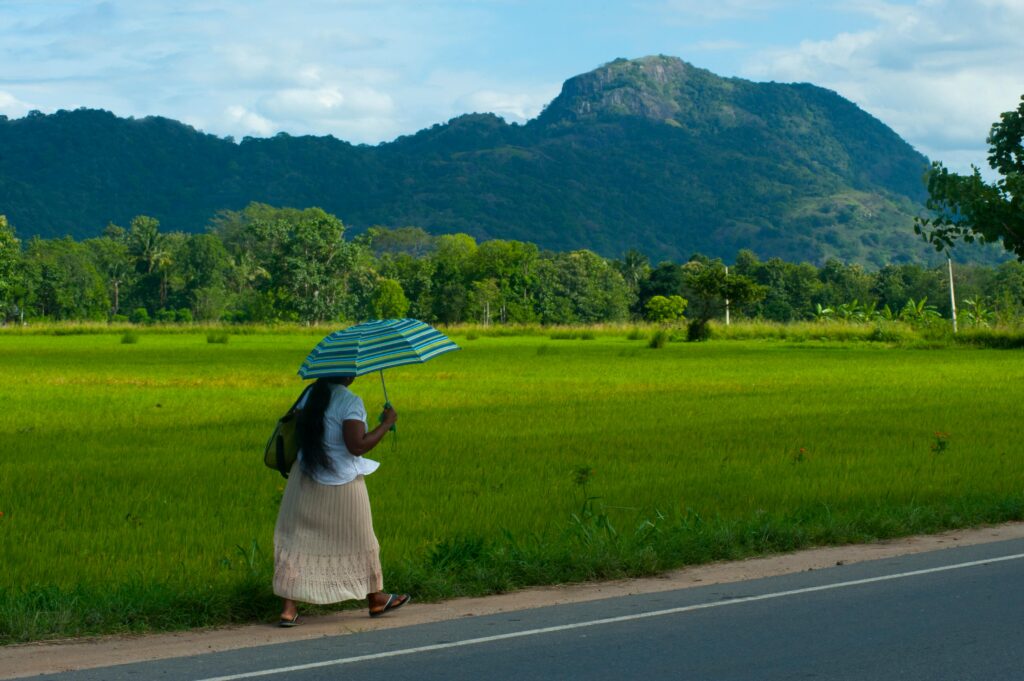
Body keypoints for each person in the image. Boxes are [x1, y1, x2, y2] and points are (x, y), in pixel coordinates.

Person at [273, 374, 408, 626]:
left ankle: (288, 609)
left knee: (295, 538)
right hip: (343, 484)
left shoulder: (310, 394)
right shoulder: (350, 401)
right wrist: (386, 424)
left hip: (304, 479)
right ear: (346, 374)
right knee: (361, 538)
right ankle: (376, 598)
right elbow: (357, 446)